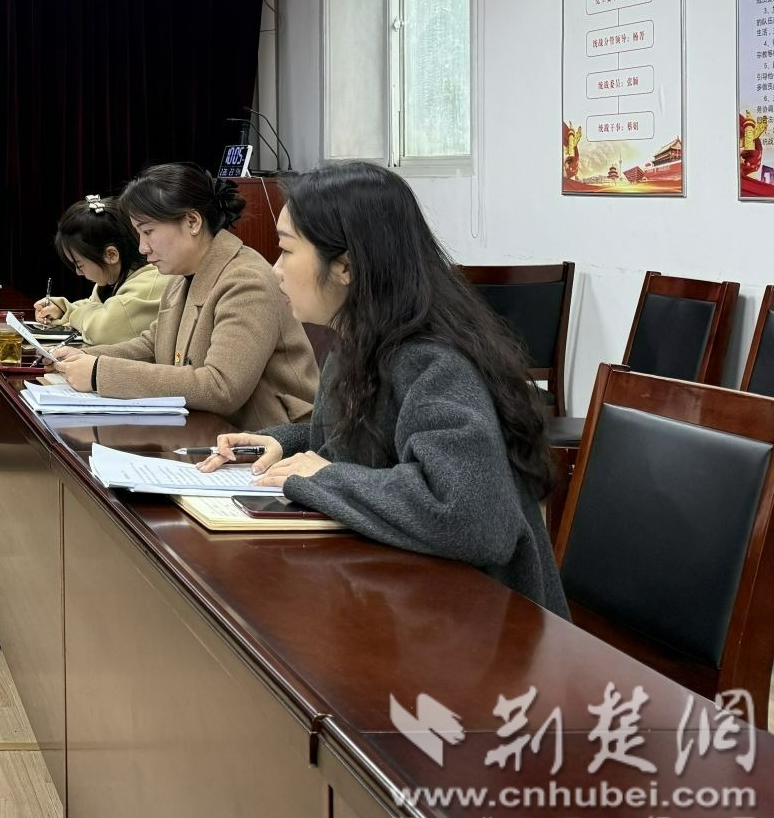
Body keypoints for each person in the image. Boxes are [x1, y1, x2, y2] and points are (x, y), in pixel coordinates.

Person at [200, 162, 568, 617]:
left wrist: (324, 477)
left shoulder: (431, 359)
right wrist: (284, 443)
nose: (275, 270)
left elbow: (471, 516)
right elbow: (372, 449)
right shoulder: (359, 340)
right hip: (415, 600)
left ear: (346, 267)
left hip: (489, 624)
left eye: (286, 250)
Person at [48, 163, 317, 430]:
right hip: (210, 432)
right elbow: (153, 346)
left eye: (148, 232)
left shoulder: (246, 280)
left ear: (192, 222)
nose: (142, 248)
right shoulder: (181, 276)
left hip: (274, 439)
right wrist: (82, 357)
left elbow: (221, 387)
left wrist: (99, 373)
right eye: (139, 234)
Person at [31, 195, 169, 346]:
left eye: (80, 265)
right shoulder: (113, 280)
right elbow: (94, 309)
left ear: (111, 255)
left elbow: (102, 331)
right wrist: (62, 309)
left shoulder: (148, 284)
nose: (78, 272)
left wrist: (70, 313)